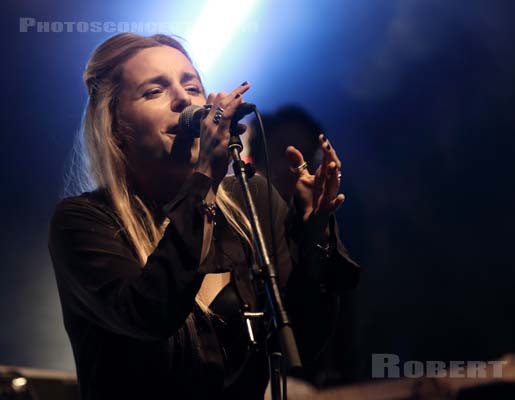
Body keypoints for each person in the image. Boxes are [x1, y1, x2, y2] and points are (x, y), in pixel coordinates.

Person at [48, 32, 359, 400]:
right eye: (154, 91)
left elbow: (301, 344)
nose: (183, 99)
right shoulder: (84, 222)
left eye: (192, 87)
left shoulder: (252, 200)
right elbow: (150, 312)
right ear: (116, 128)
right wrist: (206, 177)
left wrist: (313, 233)